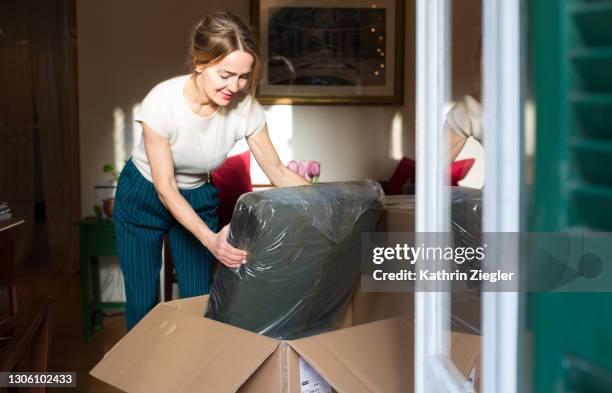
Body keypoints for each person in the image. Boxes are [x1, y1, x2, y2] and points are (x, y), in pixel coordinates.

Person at [113, 10, 309, 331]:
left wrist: (330, 200)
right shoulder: (162, 102)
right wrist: (210, 240)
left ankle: (198, 371)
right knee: (142, 299)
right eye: (226, 74)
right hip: (145, 193)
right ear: (199, 63)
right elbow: (165, 188)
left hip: (197, 193)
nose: (235, 86)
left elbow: (277, 172)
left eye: (244, 76)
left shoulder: (244, 108)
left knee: (200, 297)